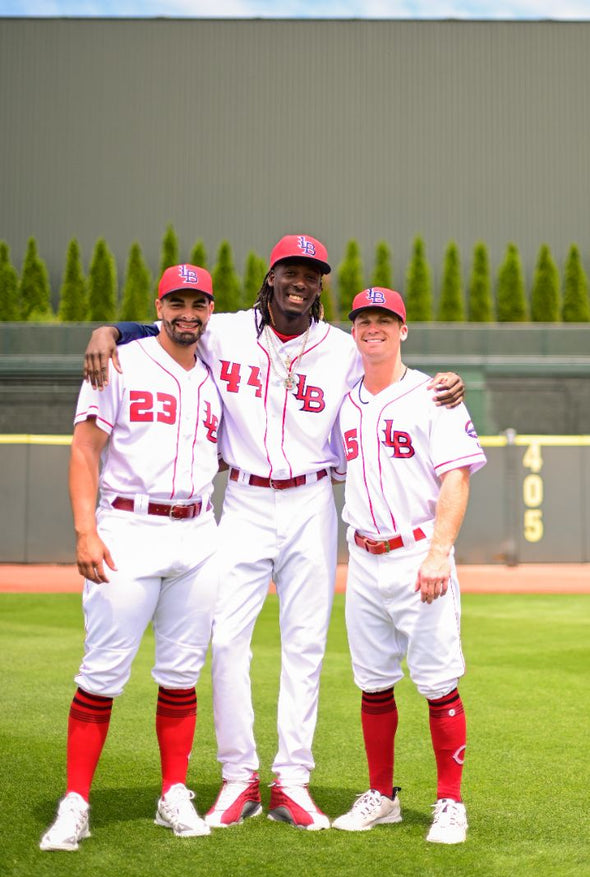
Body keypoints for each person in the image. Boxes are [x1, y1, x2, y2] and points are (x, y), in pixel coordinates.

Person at [82, 235, 465, 831]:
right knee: (228, 638)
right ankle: (240, 779)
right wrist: (110, 329)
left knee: (305, 644)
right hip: (243, 498)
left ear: (320, 285)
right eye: (291, 269)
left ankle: (293, 780)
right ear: (271, 276)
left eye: (312, 274)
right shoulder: (224, 330)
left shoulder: (342, 347)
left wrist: (447, 378)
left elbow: (397, 368)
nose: (301, 281)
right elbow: (167, 326)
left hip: (312, 498)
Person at [40, 264, 222, 851]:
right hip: (128, 524)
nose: (187, 313)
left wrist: (106, 327)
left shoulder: (216, 373)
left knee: (180, 674)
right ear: (158, 306)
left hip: (197, 530)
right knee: (102, 674)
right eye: (177, 302)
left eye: (198, 303)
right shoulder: (118, 361)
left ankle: (174, 792)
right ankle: (76, 804)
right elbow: (85, 449)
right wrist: (85, 531)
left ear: (211, 310)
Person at [331, 287, 486, 844]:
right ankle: (383, 795)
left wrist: (440, 552)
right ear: (354, 331)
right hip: (365, 557)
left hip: (419, 553)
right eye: (364, 319)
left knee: (439, 683)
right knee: (373, 684)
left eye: (384, 319)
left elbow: (457, 477)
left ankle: (450, 802)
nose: (373, 327)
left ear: (403, 329)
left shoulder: (434, 395)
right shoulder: (345, 402)